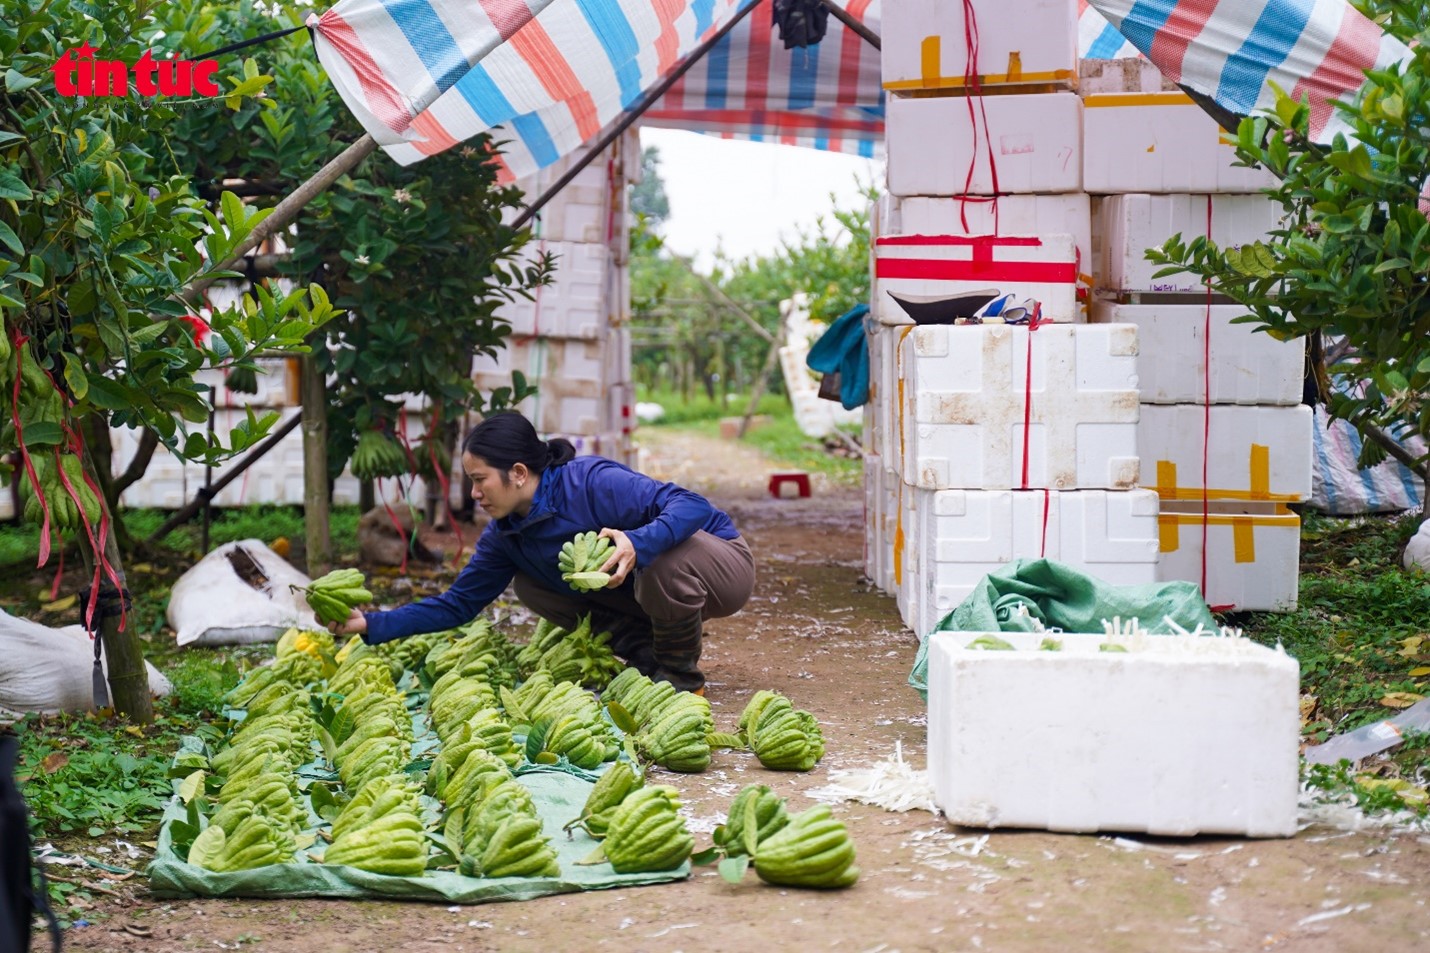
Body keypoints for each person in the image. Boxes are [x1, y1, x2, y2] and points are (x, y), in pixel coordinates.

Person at [333, 411, 755, 694]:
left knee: (660, 558)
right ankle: (649, 655)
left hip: (721, 566)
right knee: (532, 587)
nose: (475, 494)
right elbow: (457, 605)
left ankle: (682, 679)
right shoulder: (506, 536)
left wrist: (637, 542)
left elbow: (693, 505)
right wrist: (370, 623)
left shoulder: (590, 482)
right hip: (648, 590)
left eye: (481, 481)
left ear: (518, 473)